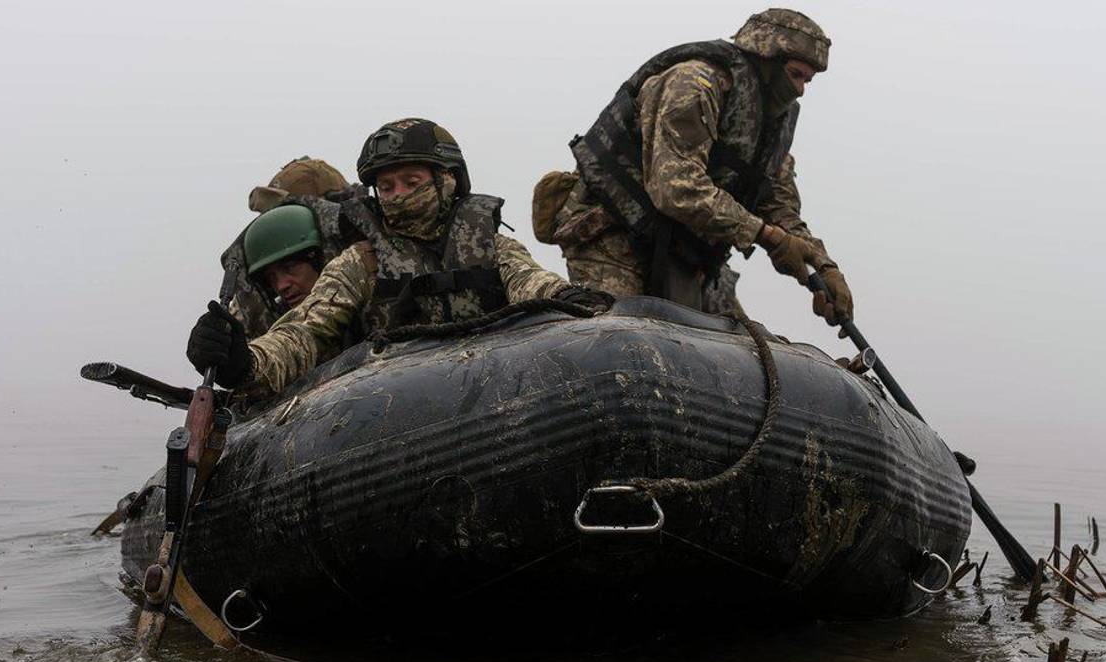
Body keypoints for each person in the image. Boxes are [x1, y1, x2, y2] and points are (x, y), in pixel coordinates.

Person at [187, 118, 611, 395]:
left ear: (446, 181)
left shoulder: (490, 246)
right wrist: (246, 362)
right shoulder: (361, 261)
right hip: (398, 405)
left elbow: (532, 284)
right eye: (386, 188)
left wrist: (572, 303)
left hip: (495, 389)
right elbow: (304, 331)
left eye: (411, 181)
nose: (399, 196)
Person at [534, 8, 853, 324]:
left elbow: (779, 207)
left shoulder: (774, 124)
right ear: (766, 59)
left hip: (689, 256)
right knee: (621, 341)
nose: (799, 90)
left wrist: (822, 267)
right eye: (795, 75)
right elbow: (676, 189)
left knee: (744, 355)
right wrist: (767, 236)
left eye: (808, 81)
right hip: (614, 236)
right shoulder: (695, 83)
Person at [225, 157, 369, 338]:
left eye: (290, 266)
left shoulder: (378, 268)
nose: (282, 285)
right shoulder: (256, 305)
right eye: (271, 276)